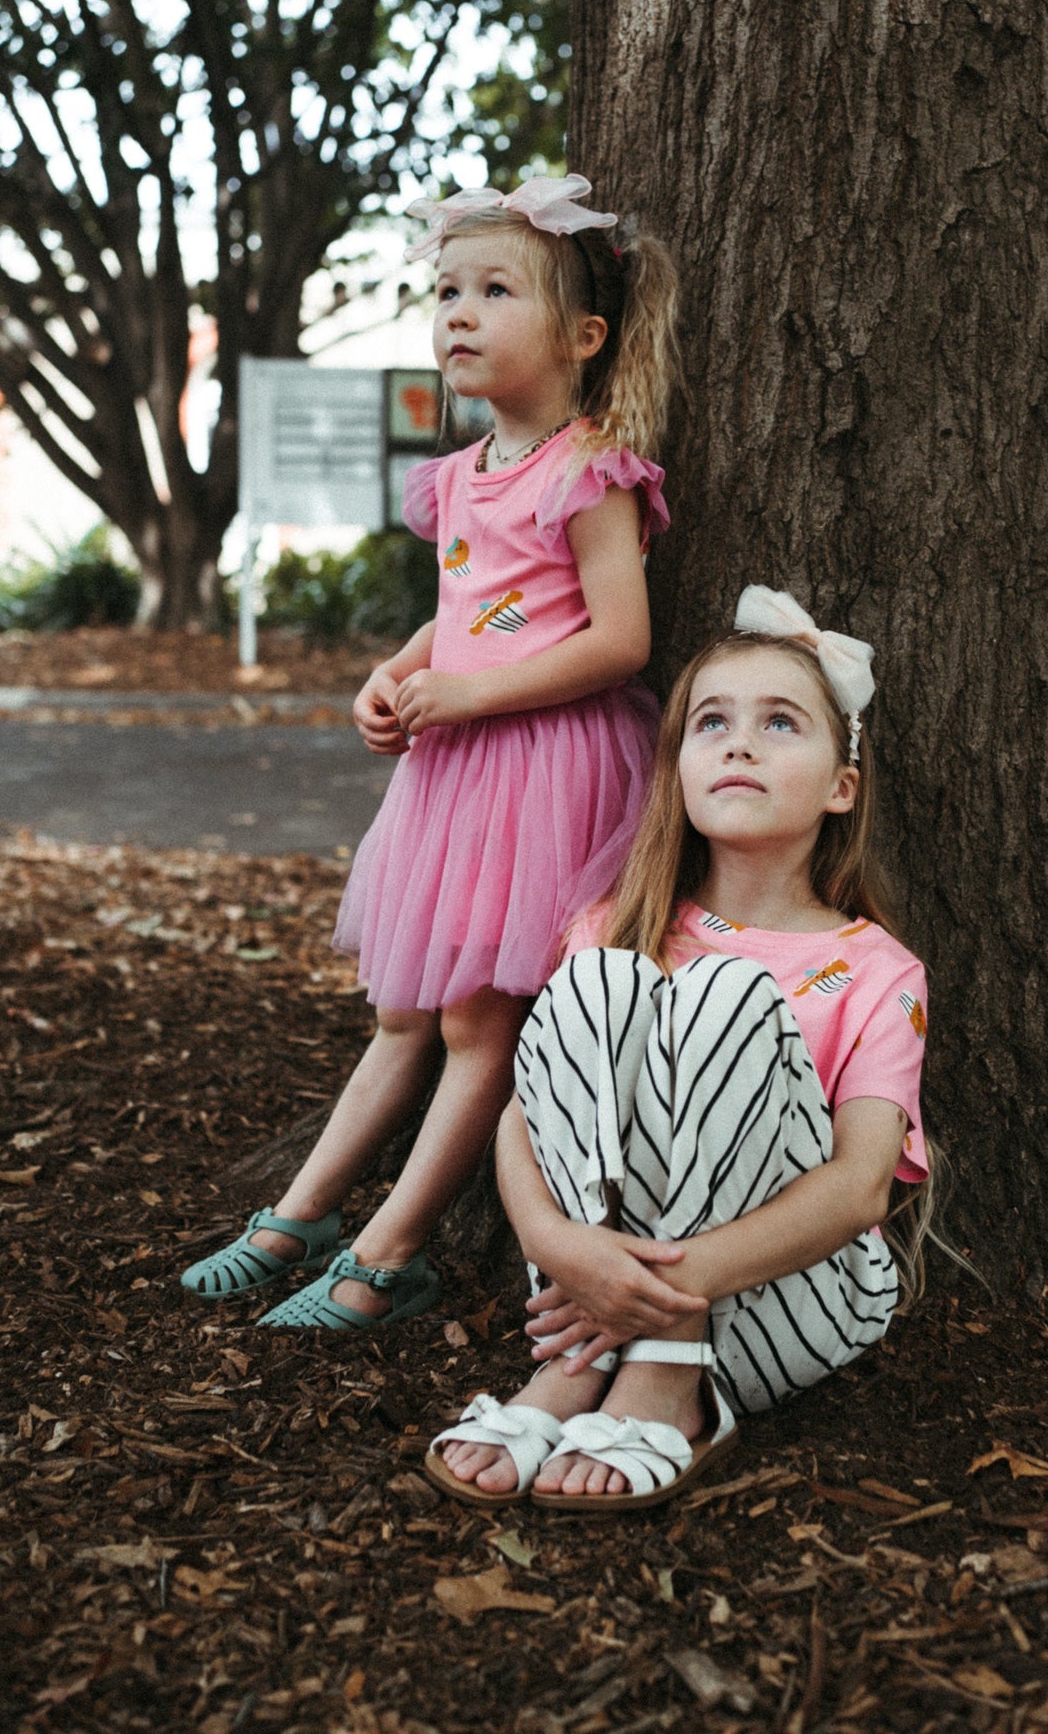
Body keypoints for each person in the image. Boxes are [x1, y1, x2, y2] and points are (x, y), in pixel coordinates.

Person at [181, 175, 680, 1330]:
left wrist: (474, 690)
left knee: (475, 1022)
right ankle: (294, 1217)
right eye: (444, 290)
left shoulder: (587, 469)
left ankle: (388, 1252)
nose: (456, 313)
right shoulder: (460, 478)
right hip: (455, 772)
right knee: (405, 1011)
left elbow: (622, 640)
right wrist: (398, 675)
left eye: (493, 291)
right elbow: (464, 614)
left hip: (548, 768)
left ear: (581, 336)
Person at [426, 587, 943, 1511]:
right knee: (604, 979)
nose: (739, 742)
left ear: (840, 784)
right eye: (712, 721)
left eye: (779, 722)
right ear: (679, 767)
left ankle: (667, 1385)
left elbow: (861, 1184)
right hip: (585, 1287)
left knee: (728, 990)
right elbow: (528, 1113)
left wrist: (669, 1289)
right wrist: (560, 1246)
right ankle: (573, 1376)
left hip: (785, 1293)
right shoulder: (615, 927)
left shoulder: (874, 967)